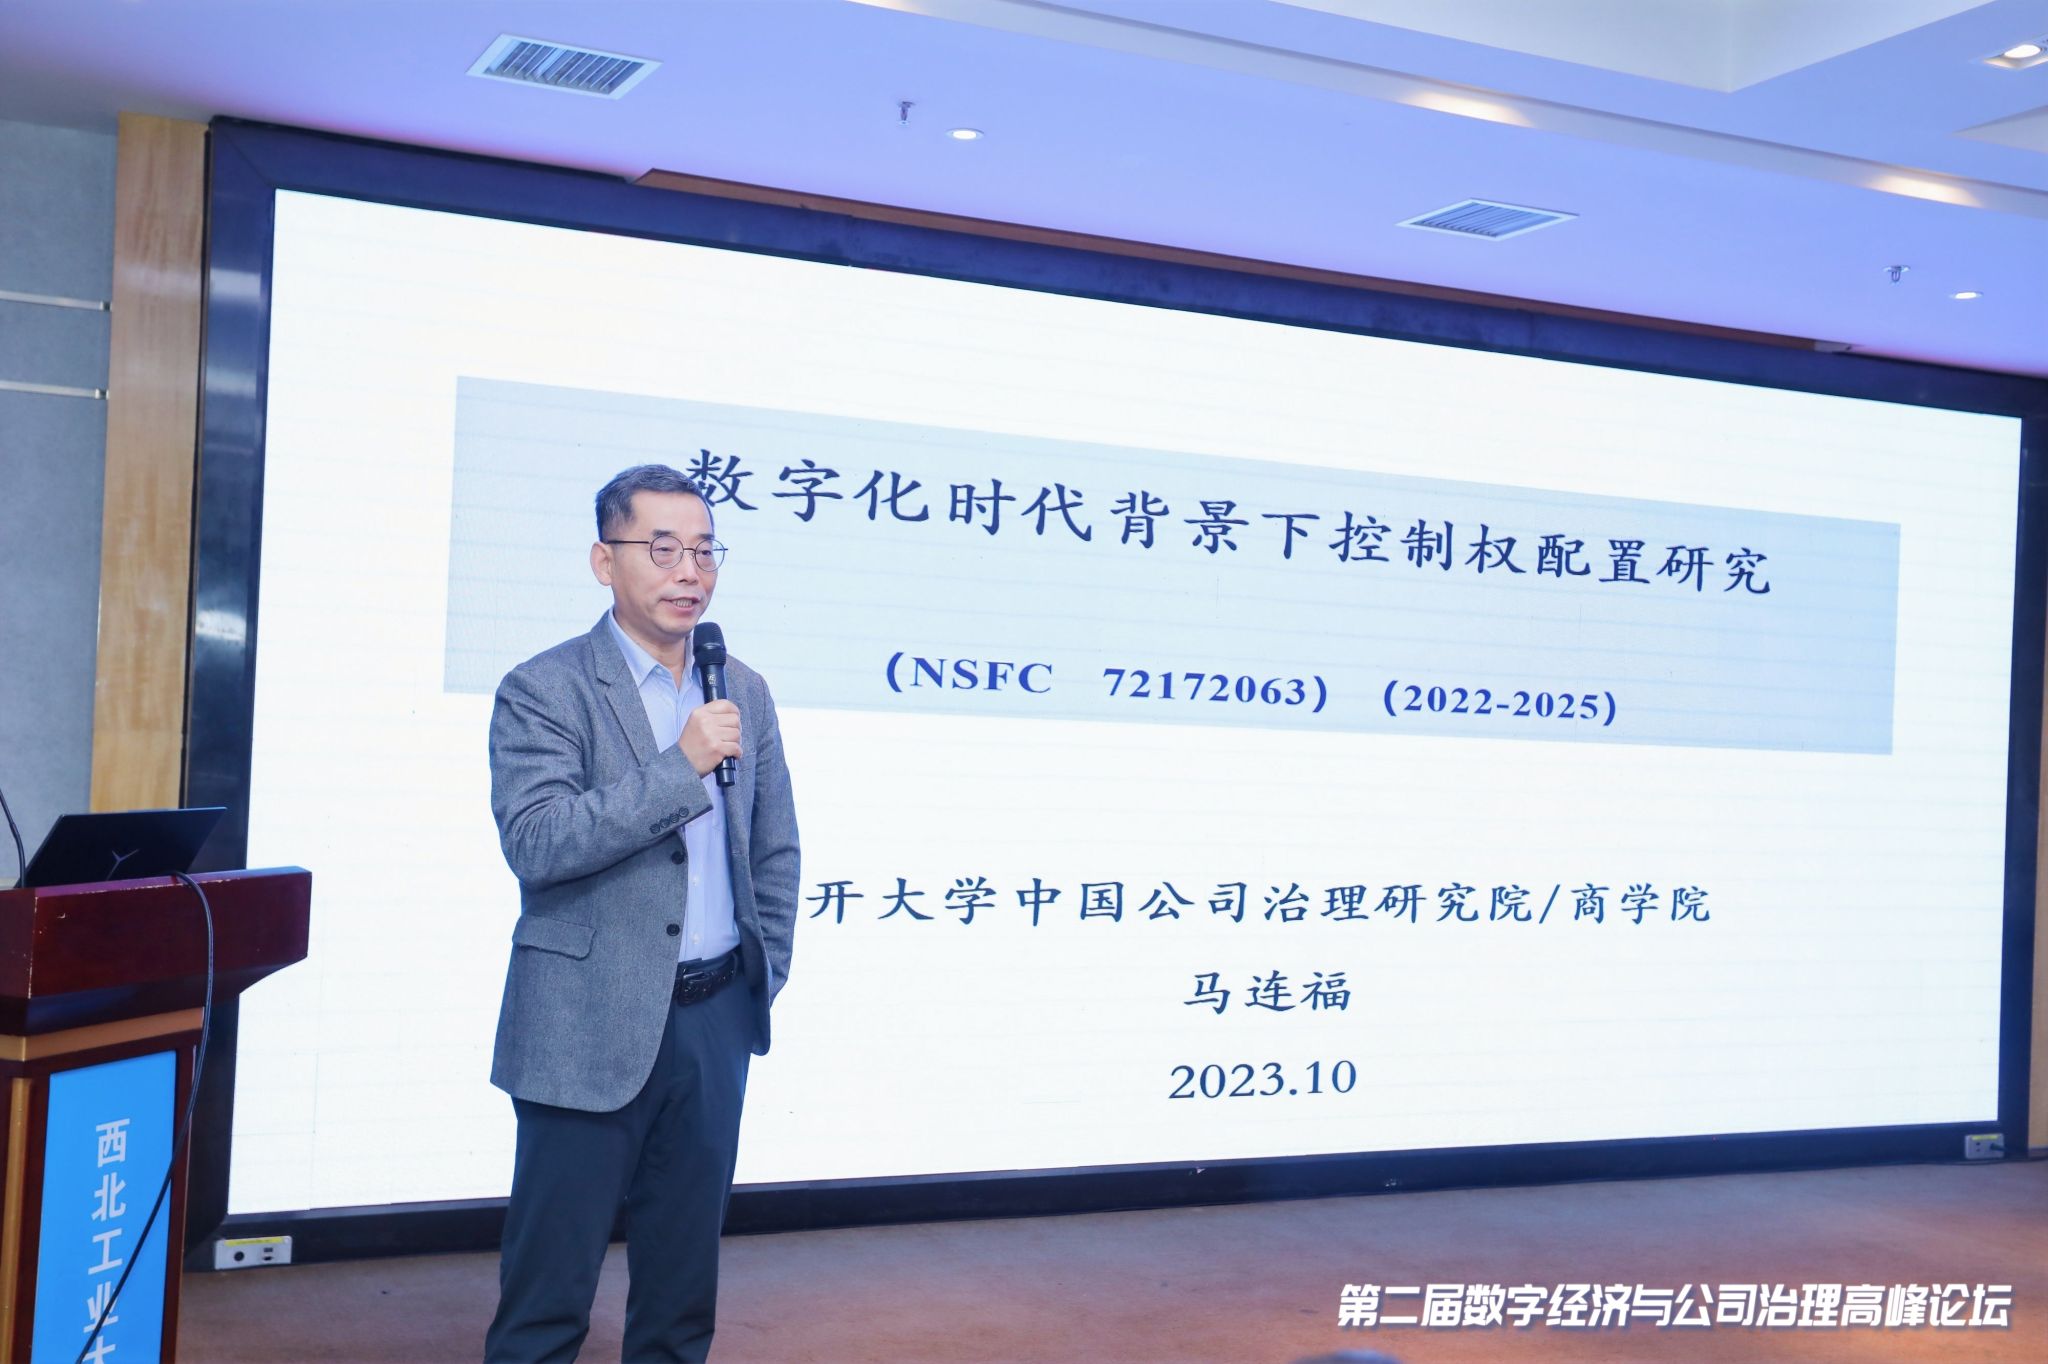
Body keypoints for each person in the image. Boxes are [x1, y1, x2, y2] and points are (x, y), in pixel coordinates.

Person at [482, 464, 800, 1363]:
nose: (689, 571)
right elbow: (538, 842)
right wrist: (678, 766)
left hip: (713, 1019)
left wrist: (759, 974)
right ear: (604, 561)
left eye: (704, 550)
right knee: (547, 1300)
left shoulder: (742, 688)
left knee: (681, 1296)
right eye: (662, 549)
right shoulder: (545, 688)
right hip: (584, 1024)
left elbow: (774, 848)